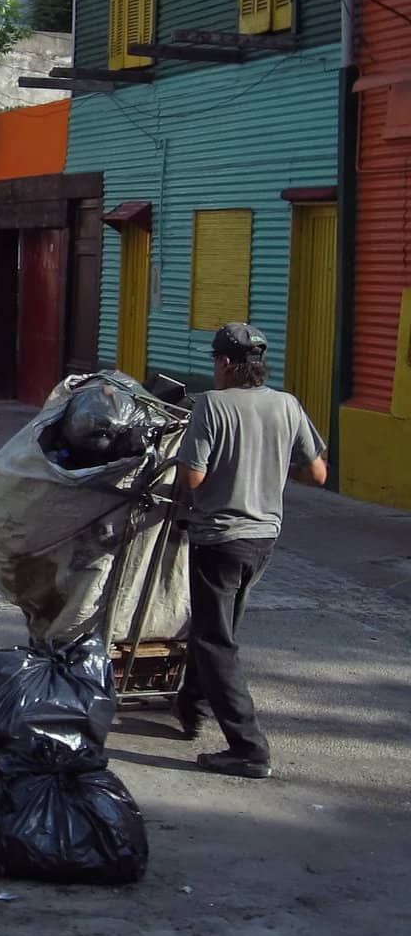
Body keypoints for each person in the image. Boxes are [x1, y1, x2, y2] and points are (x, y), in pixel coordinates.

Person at [173, 322, 327, 779]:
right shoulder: (287, 404)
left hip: (219, 537)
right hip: (263, 540)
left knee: (214, 640)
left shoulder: (212, 405)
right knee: (216, 627)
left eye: (214, 362)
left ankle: (248, 748)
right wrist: (270, 468)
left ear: (223, 363)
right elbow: (316, 472)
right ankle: (193, 705)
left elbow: (193, 478)